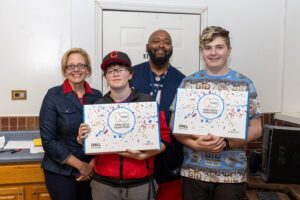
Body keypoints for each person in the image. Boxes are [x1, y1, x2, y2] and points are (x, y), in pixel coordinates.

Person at [171, 26, 262, 200]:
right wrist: (195, 144)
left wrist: (226, 144)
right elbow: (174, 125)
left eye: (219, 47)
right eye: (207, 47)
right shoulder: (188, 83)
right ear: (202, 52)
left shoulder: (244, 84)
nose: (213, 52)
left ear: (229, 51)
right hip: (194, 171)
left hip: (231, 174)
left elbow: (256, 129)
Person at [77, 50, 171, 200]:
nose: (115, 73)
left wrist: (145, 155)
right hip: (104, 185)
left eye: (120, 69)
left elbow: (165, 137)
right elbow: (92, 145)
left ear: (130, 74)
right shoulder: (97, 107)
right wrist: (82, 139)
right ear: (105, 77)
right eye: (110, 71)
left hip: (140, 184)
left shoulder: (148, 103)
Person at [39, 48, 102, 200]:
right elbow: (48, 141)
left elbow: (104, 136)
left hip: (92, 172)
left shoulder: (97, 96)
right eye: (71, 66)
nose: (76, 70)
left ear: (88, 70)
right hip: (60, 172)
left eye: (81, 65)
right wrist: (81, 166)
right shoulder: (53, 95)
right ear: (65, 70)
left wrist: (91, 166)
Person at [130, 29, 185, 200]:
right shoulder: (131, 75)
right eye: (156, 40)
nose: (161, 45)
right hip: (136, 159)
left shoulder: (183, 81)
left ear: (171, 48)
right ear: (147, 47)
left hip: (170, 161)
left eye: (166, 41)